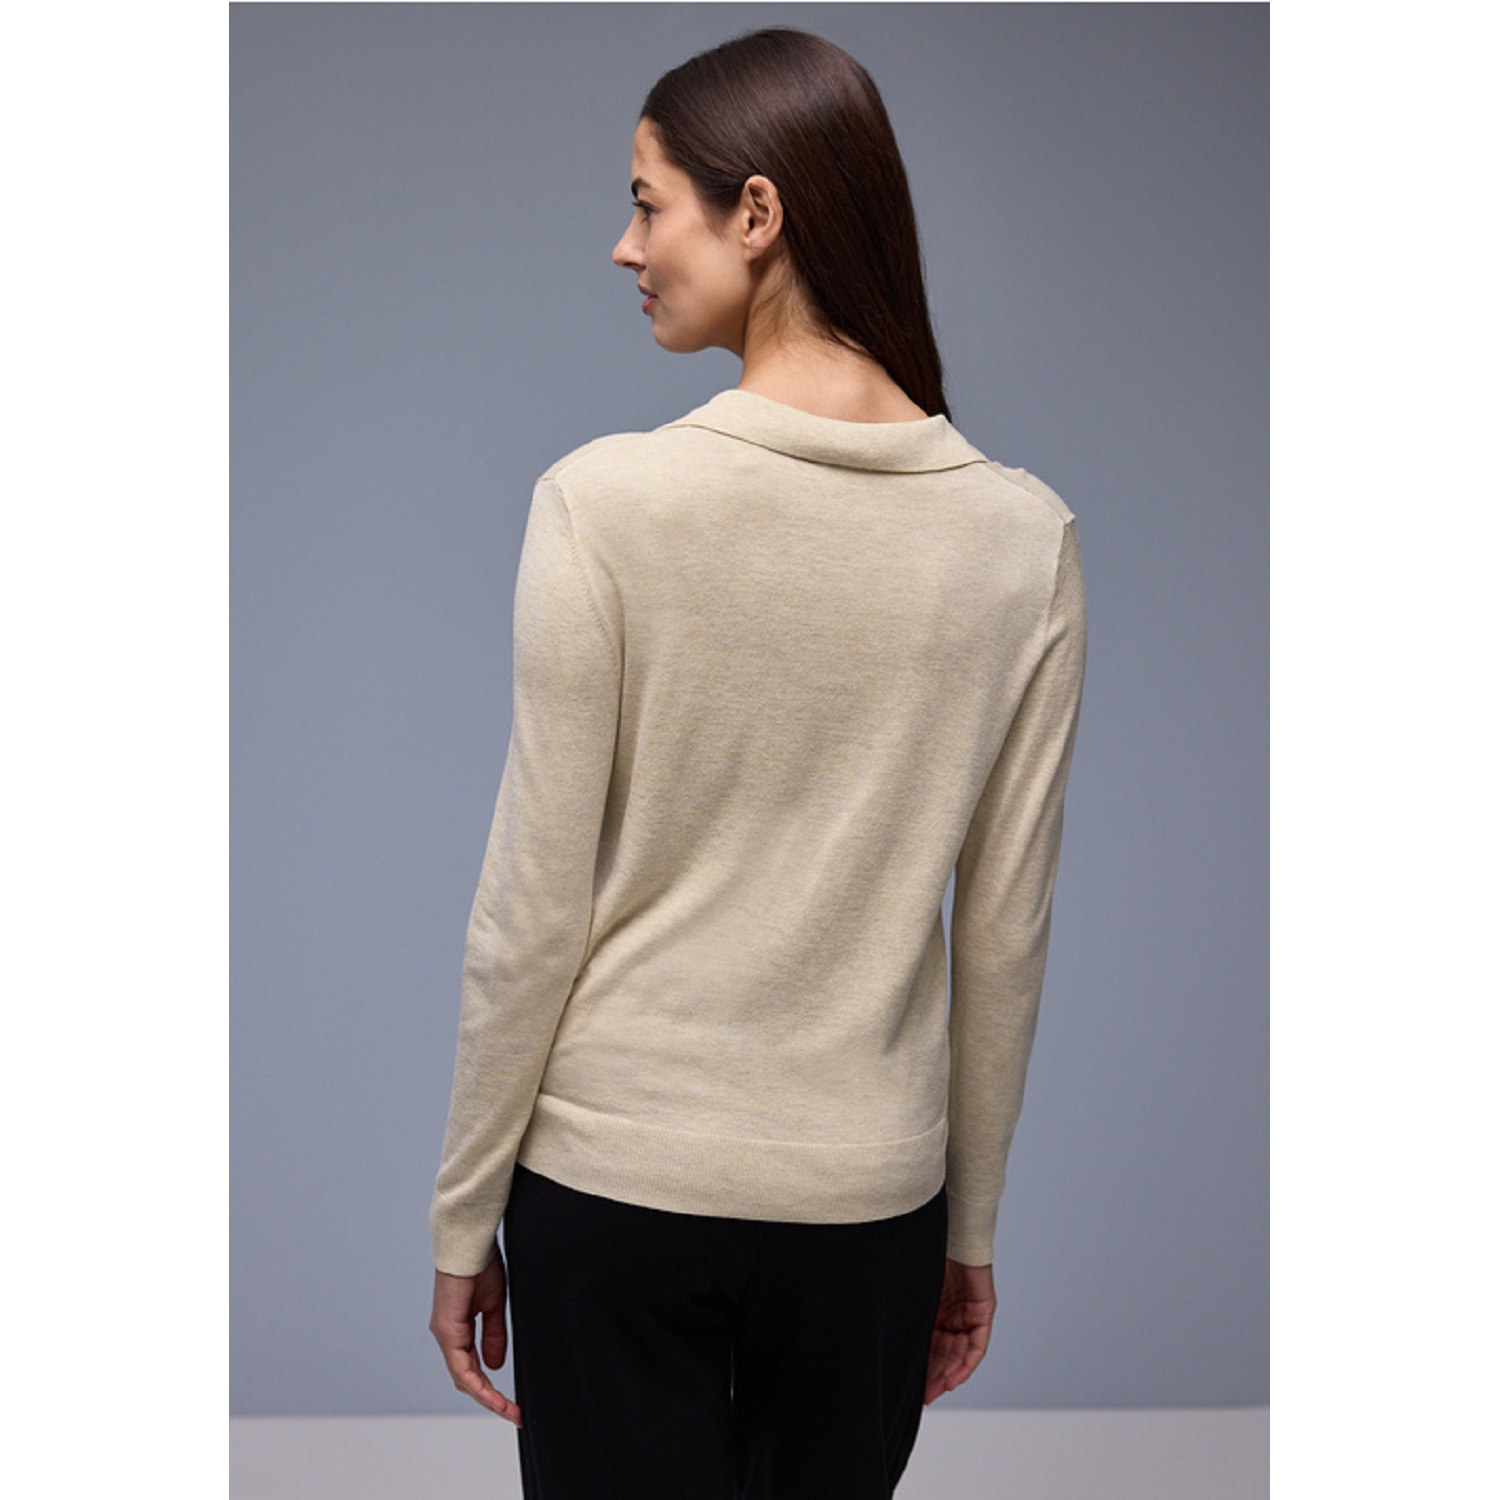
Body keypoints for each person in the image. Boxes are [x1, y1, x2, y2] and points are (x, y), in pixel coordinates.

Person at [429, 27, 1085, 1499]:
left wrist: (463, 1215)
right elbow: (1005, 933)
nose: (624, 246)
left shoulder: (605, 504)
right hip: (867, 1209)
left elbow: (531, 906)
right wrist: (968, 1225)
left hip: (612, 1188)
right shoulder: (1021, 540)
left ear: (758, 213)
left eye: (646, 202)